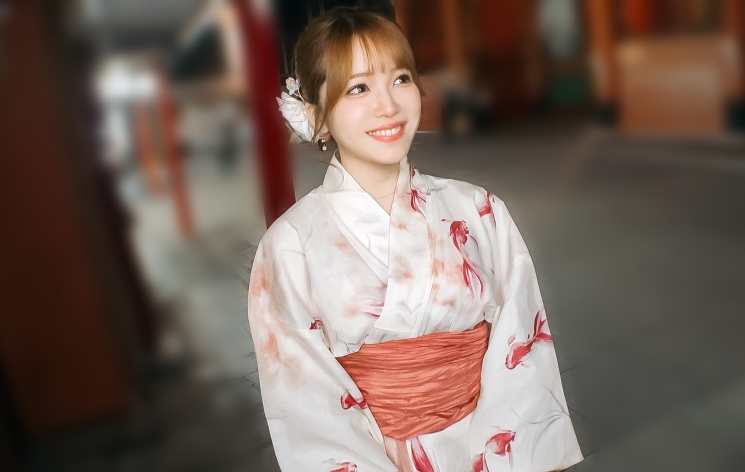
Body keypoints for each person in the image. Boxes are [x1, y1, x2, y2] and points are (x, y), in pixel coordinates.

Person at [248, 7, 582, 472]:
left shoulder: (479, 210)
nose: (388, 105)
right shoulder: (289, 245)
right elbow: (305, 400)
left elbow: (521, 342)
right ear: (315, 114)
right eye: (359, 87)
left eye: (400, 79)